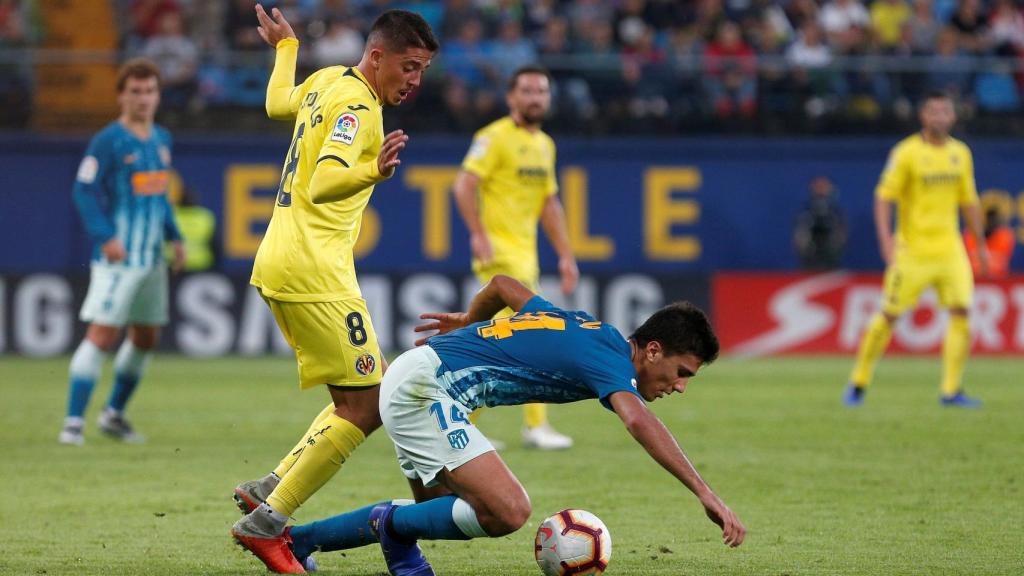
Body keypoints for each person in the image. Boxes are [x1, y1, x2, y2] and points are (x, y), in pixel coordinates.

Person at [242, 275, 746, 575]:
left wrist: (469, 319)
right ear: (652, 350)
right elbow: (639, 422)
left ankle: (302, 540)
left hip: (420, 380)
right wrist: (706, 493)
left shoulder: (593, 331)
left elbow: (504, 284)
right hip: (427, 389)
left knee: (440, 511)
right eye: (682, 373)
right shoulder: (610, 360)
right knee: (508, 510)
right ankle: (377, 533)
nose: (679, 386)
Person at [230, 6, 438, 572]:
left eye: (422, 70)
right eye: (409, 66)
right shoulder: (358, 105)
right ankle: (267, 523)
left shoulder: (328, 80)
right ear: (376, 58)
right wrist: (372, 170)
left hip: (284, 259)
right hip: (313, 269)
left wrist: (286, 48)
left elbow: (276, 103)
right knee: (370, 404)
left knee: (351, 400)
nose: (415, 80)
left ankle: (268, 488)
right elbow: (323, 183)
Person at [59, 58, 185, 446]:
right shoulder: (107, 141)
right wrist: (104, 235)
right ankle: (73, 423)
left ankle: (113, 414)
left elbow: (159, 195)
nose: (143, 99)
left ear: (158, 95)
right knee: (102, 334)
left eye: (149, 91)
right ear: (121, 96)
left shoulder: (162, 139)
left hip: (151, 259)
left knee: (146, 336)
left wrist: (175, 235)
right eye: (135, 91)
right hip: (119, 258)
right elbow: (83, 190)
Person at [453, 65, 579, 450]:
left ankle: (460, 420)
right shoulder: (492, 138)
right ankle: (535, 426)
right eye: (527, 91)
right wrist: (477, 234)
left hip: (526, 256)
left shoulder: (545, 145)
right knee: (535, 332)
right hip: (500, 255)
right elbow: (463, 185)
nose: (535, 97)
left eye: (541, 91)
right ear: (511, 97)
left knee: (496, 340)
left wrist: (566, 256)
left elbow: (549, 203)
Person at [844, 92, 989, 408]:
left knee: (962, 311)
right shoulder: (906, 153)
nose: (940, 116)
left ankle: (951, 390)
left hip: (950, 249)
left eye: (945, 111)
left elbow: (969, 202)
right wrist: (886, 239)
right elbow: (884, 197)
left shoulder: (960, 153)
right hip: (912, 251)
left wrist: (979, 245)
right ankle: (859, 382)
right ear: (923, 116)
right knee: (889, 314)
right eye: (934, 111)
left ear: (953, 116)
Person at [793, 176, 847, 270]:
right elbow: (799, 237)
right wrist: (807, 248)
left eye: (824, 187)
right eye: (818, 187)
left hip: (831, 261)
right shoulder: (806, 214)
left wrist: (833, 247)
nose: (821, 191)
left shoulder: (836, 214)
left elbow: (841, 235)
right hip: (809, 261)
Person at [964, 206, 1015, 279]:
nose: (992, 222)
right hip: (974, 277)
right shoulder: (971, 234)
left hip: (998, 279)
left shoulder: (1005, 236)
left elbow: (1000, 262)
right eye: (990, 219)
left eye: (994, 220)